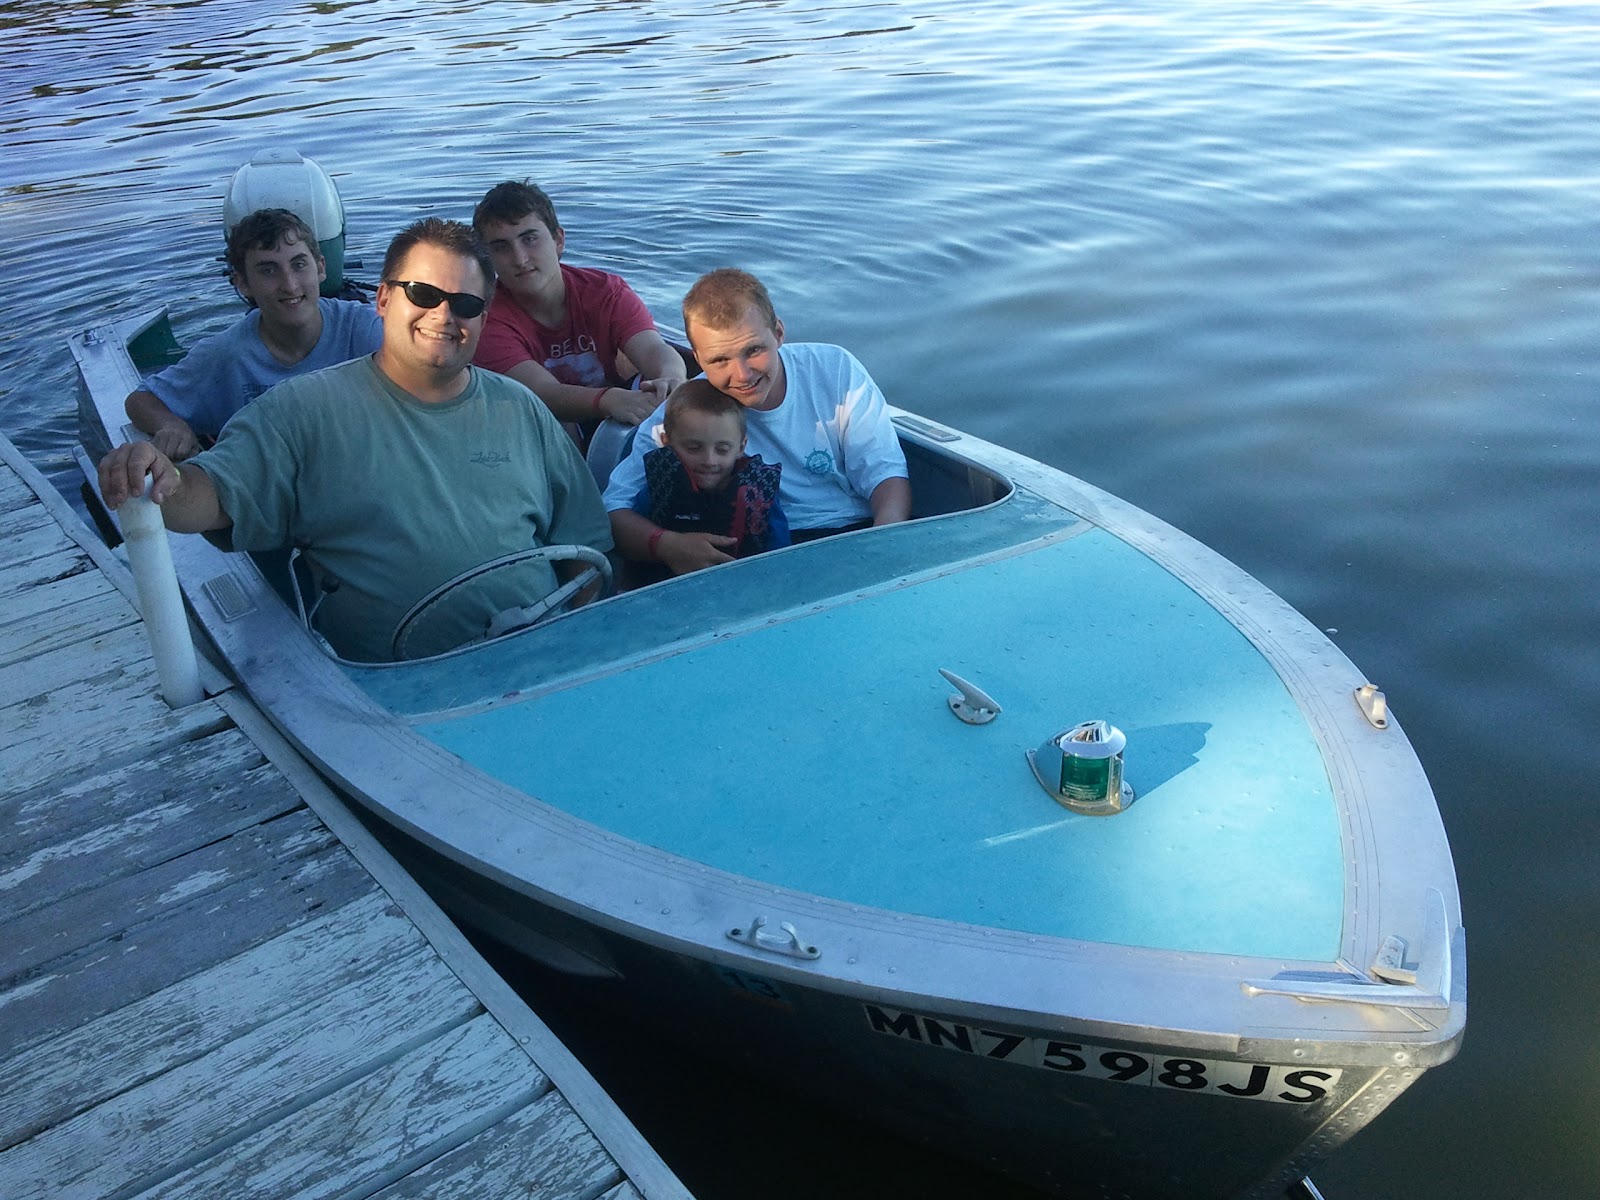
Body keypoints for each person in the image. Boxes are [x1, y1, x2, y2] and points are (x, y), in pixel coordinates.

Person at [99, 217, 613, 663]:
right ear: (384, 299)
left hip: (544, 652)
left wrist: (576, 644)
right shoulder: (299, 410)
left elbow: (587, 548)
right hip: (398, 693)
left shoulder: (520, 406)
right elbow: (211, 498)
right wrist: (161, 479)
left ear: (485, 313)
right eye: (424, 295)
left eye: (465, 302)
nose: (443, 315)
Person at [605, 268, 911, 576]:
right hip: (748, 558)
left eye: (753, 350)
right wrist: (667, 546)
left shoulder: (835, 370)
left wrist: (879, 546)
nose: (742, 375)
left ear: (778, 333)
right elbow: (614, 508)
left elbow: (885, 474)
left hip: (849, 532)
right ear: (697, 358)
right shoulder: (680, 416)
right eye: (719, 360)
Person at [125, 208, 383, 461]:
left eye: (299, 265)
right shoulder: (226, 354)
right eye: (268, 270)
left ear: (320, 268)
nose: (290, 284)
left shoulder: (364, 330)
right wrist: (171, 426)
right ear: (243, 283)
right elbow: (141, 400)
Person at [471, 181, 689, 428]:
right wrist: (608, 400)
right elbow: (542, 392)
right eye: (501, 247)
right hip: (540, 423)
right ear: (487, 259)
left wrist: (672, 378)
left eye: (529, 239)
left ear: (558, 240)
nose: (520, 259)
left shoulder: (606, 292)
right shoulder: (488, 318)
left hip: (614, 411)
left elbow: (652, 349)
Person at [622, 379, 789, 582]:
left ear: (741, 446)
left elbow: (782, 559)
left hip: (747, 588)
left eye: (722, 449)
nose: (709, 461)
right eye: (693, 448)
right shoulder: (657, 491)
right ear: (666, 442)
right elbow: (630, 548)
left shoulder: (760, 494)